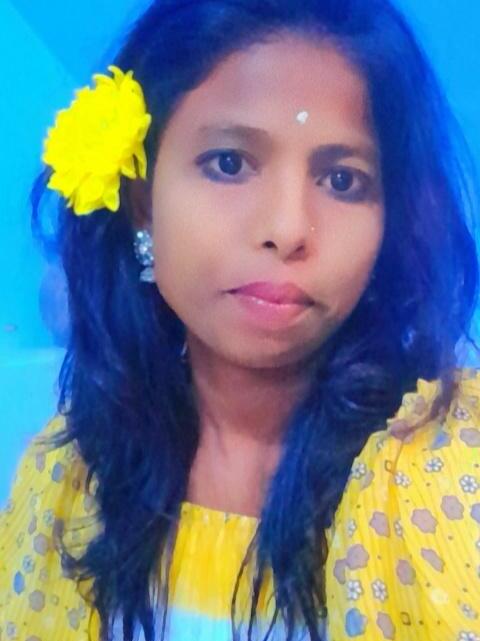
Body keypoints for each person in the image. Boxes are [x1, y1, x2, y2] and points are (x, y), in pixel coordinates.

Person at [1, 0, 480, 639]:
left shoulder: (445, 474)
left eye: (342, 180)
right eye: (230, 163)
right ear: (142, 202)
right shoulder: (67, 476)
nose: (287, 228)